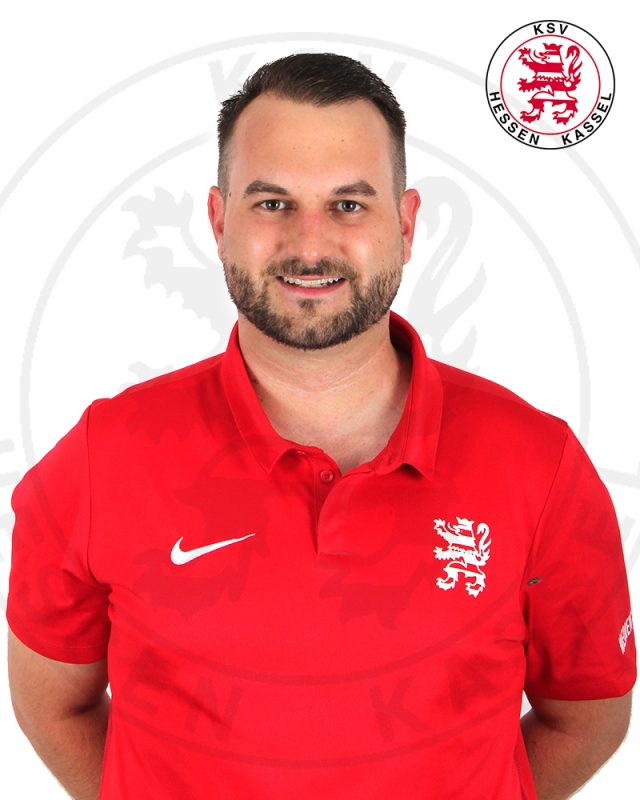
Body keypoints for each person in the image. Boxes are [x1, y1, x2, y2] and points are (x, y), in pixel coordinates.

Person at [6, 53, 635, 800]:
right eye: (273, 203)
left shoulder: (540, 464)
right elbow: (55, 704)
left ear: (406, 224)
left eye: (349, 205)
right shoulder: (102, 457)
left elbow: (587, 715)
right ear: (219, 221)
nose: (309, 246)